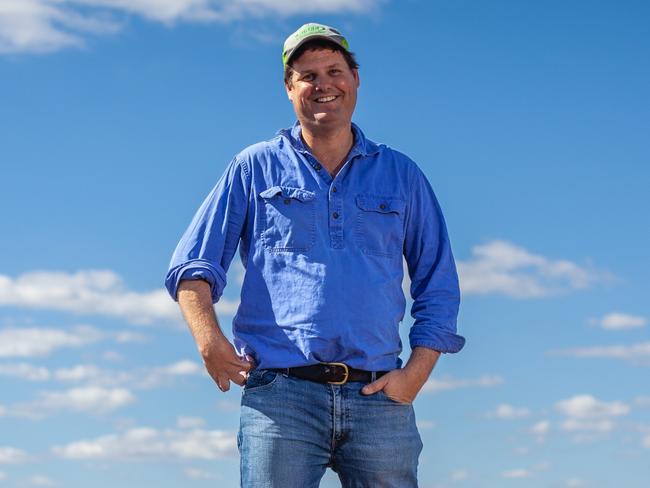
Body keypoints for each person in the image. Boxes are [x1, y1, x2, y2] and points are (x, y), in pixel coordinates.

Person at [165, 22, 465, 488]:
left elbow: (438, 281)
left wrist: (415, 374)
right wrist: (209, 342)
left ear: (355, 79)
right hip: (280, 398)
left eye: (334, 70)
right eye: (308, 75)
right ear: (289, 88)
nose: (323, 84)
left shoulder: (402, 174)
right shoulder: (254, 167)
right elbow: (193, 267)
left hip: (379, 396)